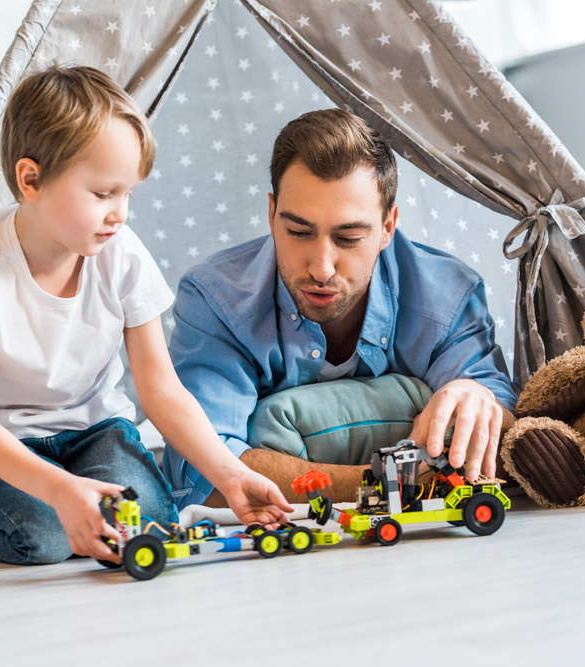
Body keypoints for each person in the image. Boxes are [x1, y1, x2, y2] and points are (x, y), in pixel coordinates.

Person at [0, 66, 291, 566]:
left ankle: (69, 502)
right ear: (30, 179)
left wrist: (229, 474)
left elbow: (161, 390)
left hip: (95, 430)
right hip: (6, 443)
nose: (121, 214)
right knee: (44, 541)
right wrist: (61, 491)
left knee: (153, 523)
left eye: (128, 195)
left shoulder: (123, 253)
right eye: (102, 194)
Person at [163, 109, 518, 508]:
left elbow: (507, 436)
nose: (321, 267)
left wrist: (477, 396)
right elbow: (202, 476)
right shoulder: (216, 299)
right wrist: (392, 482)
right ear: (271, 214)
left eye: (348, 237)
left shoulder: (448, 296)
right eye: (298, 232)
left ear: (387, 227)